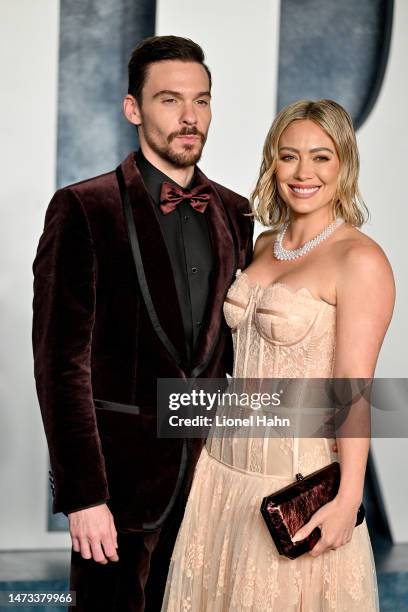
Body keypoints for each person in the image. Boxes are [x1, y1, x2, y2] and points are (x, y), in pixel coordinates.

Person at [32, 35, 253, 611]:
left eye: (202, 101)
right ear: (133, 108)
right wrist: (83, 496)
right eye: (169, 100)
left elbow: (231, 357)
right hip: (119, 496)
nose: (190, 117)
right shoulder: (84, 207)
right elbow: (61, 366)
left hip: (212, 486)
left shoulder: (236, 212)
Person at [162, 99, 395, 611]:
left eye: (321, 157)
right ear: (273, 162)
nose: (303, 172)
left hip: (291, 481)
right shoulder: (264, 244)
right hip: (220, 474)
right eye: (288, 156)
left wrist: (349, 497)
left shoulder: (360, 260)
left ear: (345, 164)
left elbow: (353, 391)